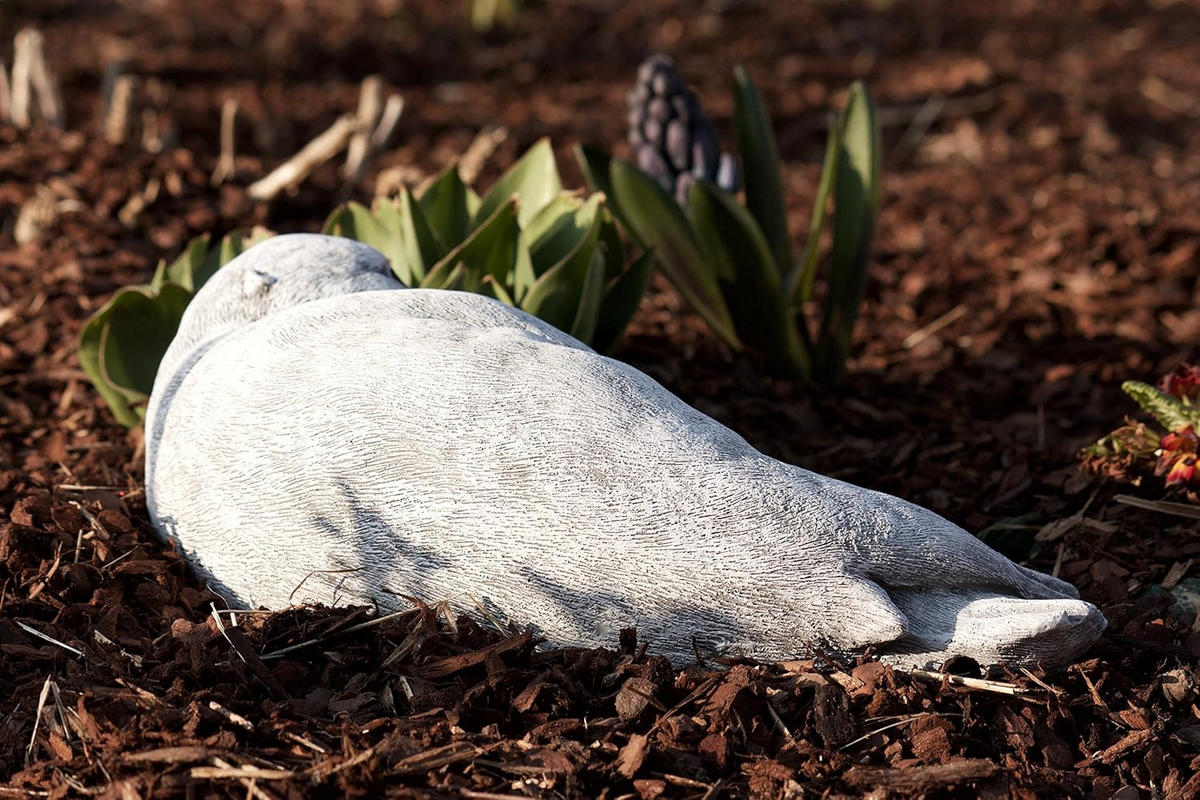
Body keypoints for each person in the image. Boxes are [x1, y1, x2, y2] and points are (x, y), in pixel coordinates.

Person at [146, 234, 1105, 669]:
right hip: (507, 433)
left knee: (658, 554)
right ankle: (983, 593)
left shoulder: (175, 474)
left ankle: (929, 625)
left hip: (410, 561)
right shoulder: (340, 328)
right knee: (703, 502)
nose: (386, 284)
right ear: (262, 290)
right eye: (372, 270)